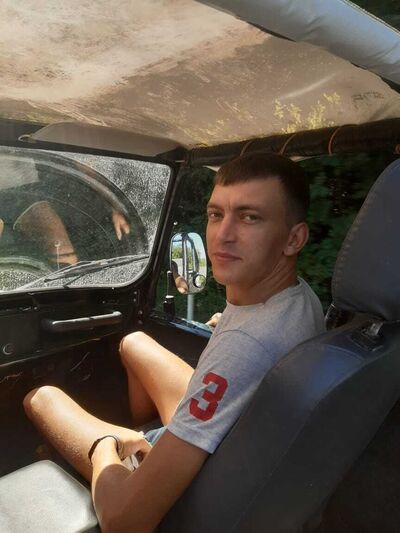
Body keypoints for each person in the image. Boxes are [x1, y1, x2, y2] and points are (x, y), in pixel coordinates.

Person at [23, 153, 325, 532]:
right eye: (216, 214)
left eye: (250, 217)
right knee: (134, 342)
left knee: (41, 398)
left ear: (294, 239)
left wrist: (106, 448)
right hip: (234, 443)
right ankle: (147, 448)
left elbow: (125, 523)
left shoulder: (246, 345)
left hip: (200, 487)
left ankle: (139, 455)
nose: (223, 234)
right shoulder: (295, 299)